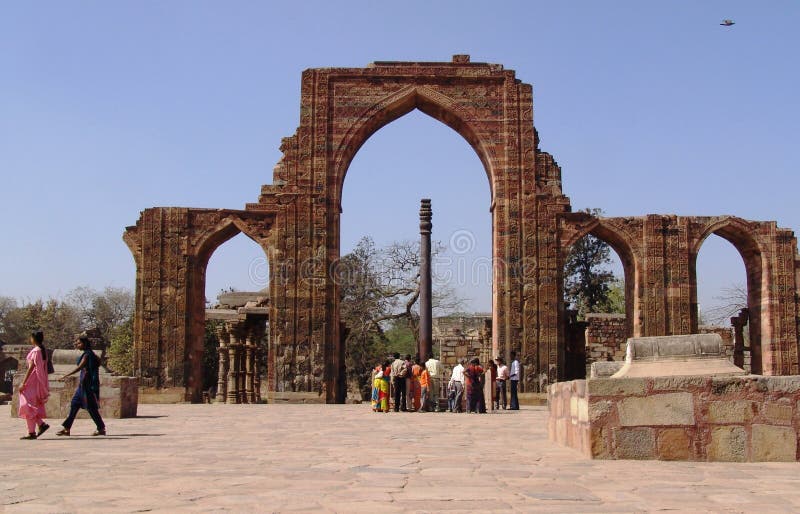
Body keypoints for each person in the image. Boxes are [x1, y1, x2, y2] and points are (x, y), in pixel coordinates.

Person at [56, 336, 106, 436]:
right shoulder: (89, 354)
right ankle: (67, 428)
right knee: (75, 404)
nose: (77, 345)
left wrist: (65, 375)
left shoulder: (88, 355)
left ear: (85, 343)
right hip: (83, 385)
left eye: (79, 343)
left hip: (87, 386)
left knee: (91, 407)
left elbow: (80, 367)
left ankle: (101, 428)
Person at [18, 330, 50, 439]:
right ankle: (39, 425)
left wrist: (23, 382)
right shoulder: (43, 350)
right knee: (31, 405)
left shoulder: (36, 351)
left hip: (33, 380)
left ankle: (34, 430)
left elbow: (32, 367)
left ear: (33, 339)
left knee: (27, 404)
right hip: (39, 381)